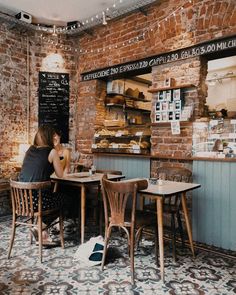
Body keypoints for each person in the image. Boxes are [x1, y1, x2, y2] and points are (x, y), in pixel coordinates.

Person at [19, 124, 64, 245]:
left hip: (22, 201)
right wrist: (56, 149)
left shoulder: (30, 150)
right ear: (50, 137)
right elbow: (60, 174)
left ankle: (43, 236)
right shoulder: (52, 151)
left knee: (47, 197)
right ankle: (38, 228)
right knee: (66, 199)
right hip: (38, 201)